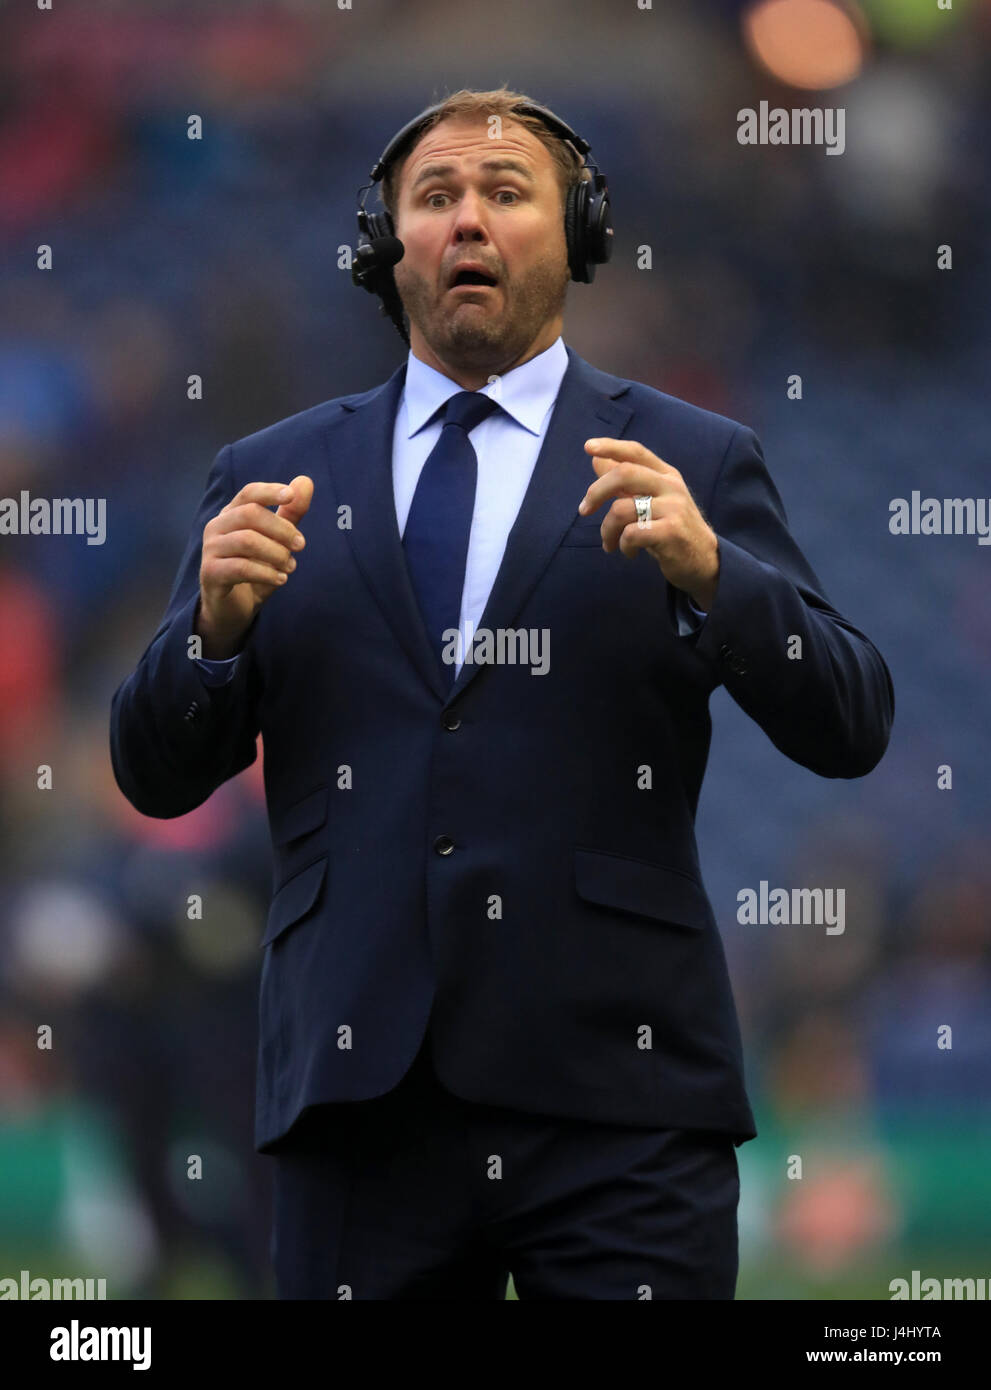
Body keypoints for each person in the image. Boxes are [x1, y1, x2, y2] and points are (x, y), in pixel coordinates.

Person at [109, 86, 895, 1300]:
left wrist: (715, 575)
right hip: (357, 1100)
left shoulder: (697, 461)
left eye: (506, 191)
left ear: (573, 236)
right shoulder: (265, 475)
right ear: (390, 246)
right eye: (436, 197)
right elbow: (153, 774)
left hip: (623, 1104)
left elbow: (851, 721)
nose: (468, 219)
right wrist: (210, 635)